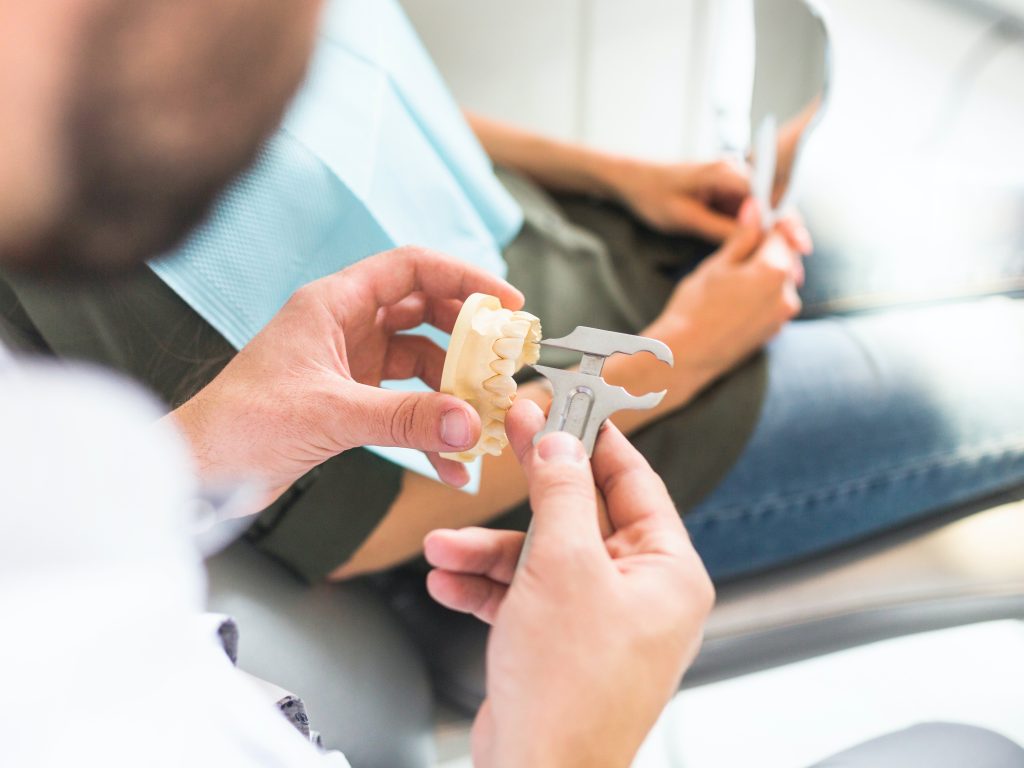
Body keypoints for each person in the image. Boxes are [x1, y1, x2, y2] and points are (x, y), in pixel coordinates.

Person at [1, 1, 1022, 766]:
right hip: (612, 446)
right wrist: (689, 347)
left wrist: (621, 179)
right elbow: (365, 529)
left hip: (586, 253)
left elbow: (361, 92)